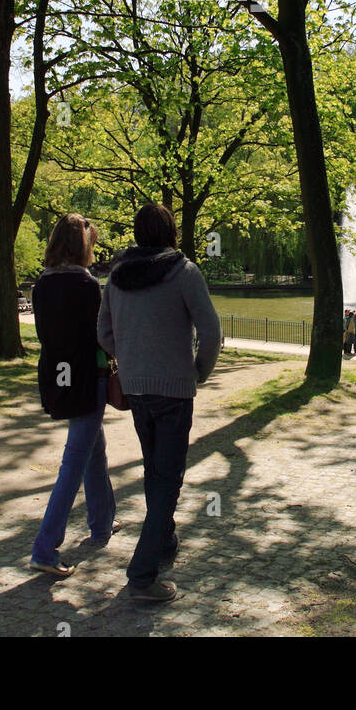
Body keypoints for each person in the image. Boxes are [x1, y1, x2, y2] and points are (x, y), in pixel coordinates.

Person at [97, 202, 221, 604]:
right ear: (170, 231)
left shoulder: (116, 276)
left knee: (155, 470)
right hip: (173, 390)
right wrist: (197, 370)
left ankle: (163, 542)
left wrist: (131, 362)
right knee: (168, 479)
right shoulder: (183, 271)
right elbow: (211, 330)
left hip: (137, 391)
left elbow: (103, 331)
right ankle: (141, 575)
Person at [29, 214, 116, 578]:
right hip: (86, 380)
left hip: (56, 378)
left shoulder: (41, 285)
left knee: (94, 451)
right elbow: (98, 336)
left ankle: (102, 524)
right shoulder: (86, 285)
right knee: (74, 463)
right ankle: (45, 548)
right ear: (82, 247)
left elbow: (48, 336)